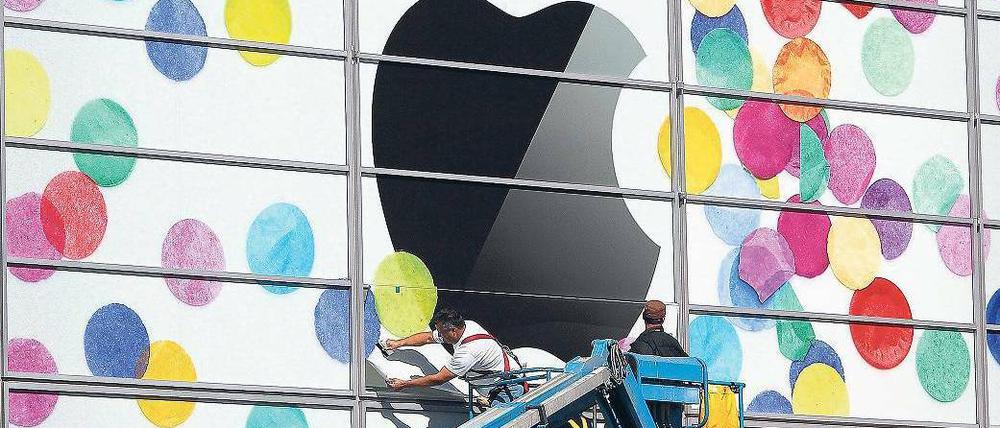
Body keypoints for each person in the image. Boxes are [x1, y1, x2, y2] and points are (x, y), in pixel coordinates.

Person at [383, 307, 525, 406]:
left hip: (507, 389)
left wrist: (405, 384)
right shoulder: (466, 326)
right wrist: (398, 343)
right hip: (498, 384)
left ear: (453, 331)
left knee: (496, 422)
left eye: (441, 332)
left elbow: (439, 379)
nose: (439, 335)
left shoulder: (468, 351)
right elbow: (427, 338)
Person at [629, 300, 687, 428]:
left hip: (648, 413)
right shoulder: (673, 344)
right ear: (663, 319)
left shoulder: (639, 346)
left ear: (644, 317)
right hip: (673, 415)